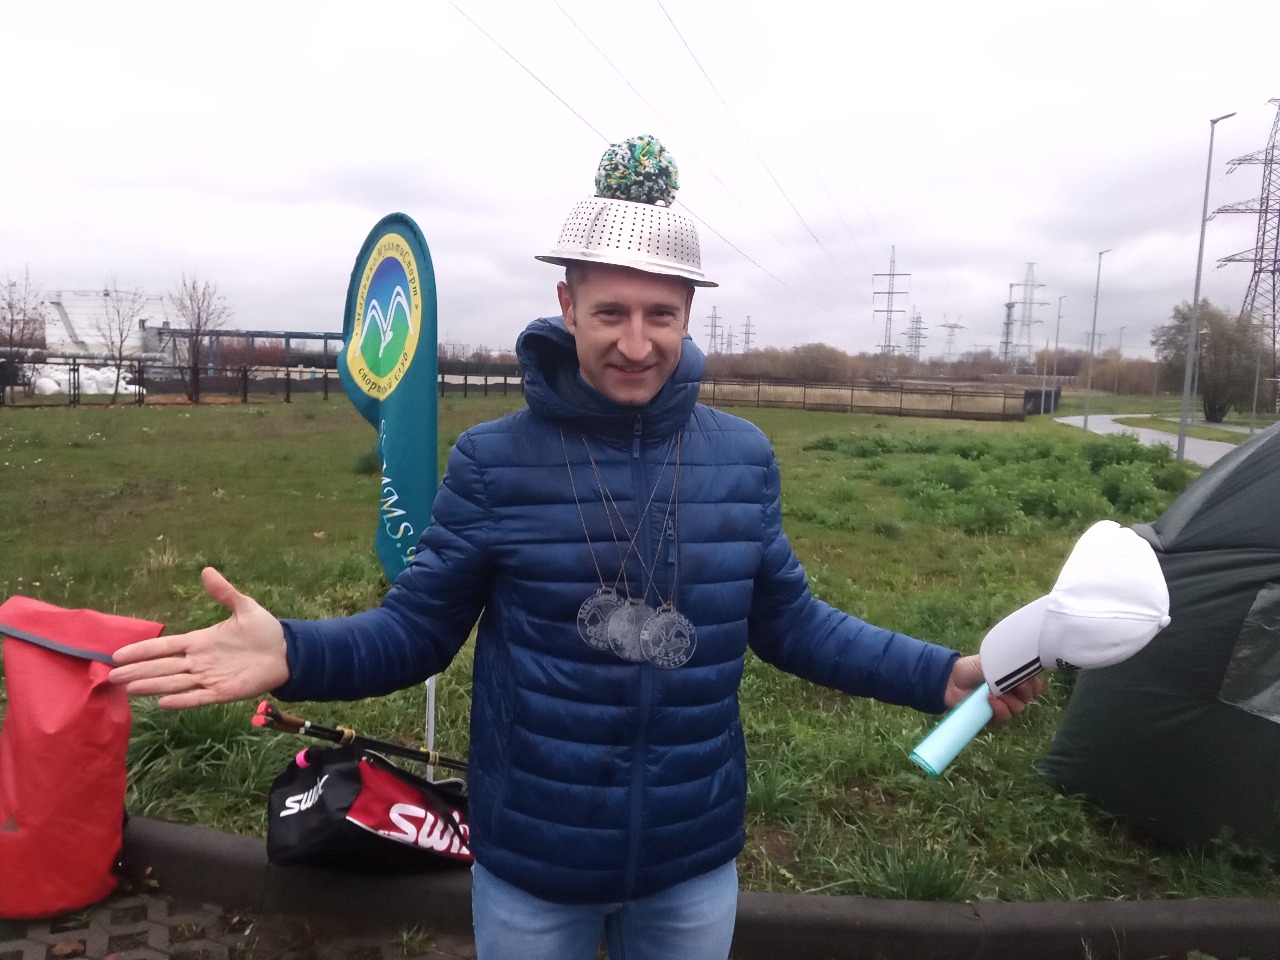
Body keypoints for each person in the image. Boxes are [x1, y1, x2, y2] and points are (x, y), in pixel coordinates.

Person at [109, 134, 1041, 960]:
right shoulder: (494, 462)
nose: (636, 344)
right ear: (566, 304)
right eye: (610, 313)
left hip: (690, 857)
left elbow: (792, 622)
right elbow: (415, 634)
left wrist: (940, 675)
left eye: (660, 315)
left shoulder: (742, 458)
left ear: (689, 312)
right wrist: (293, 651)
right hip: (534, 865)